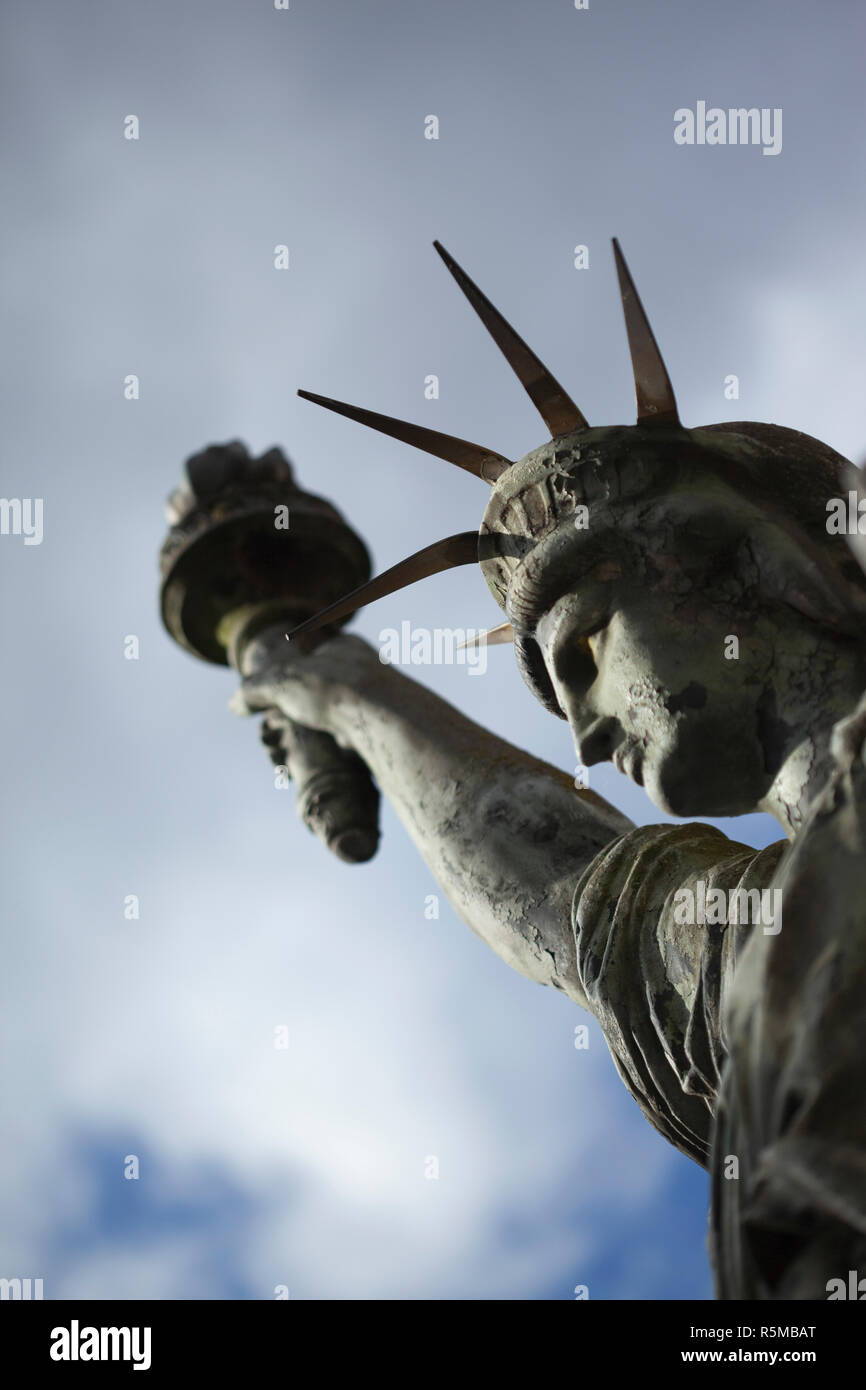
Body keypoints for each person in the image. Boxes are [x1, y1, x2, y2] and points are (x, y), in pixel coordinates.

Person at [229, 242, 866, 1299]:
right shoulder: (774, 936)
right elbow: (573, 902)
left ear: (721, 548)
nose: (582, 735)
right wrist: (341, 691)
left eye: (578, 652)